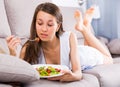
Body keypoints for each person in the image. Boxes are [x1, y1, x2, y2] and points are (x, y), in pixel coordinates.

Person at [6, 2, 113, 82]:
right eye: (39, 23)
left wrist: (72, 77)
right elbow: (17, 79)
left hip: (83, 57)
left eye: (49, 24)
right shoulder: (28, 47)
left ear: (58, 26)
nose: (43, 29)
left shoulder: (70, 37)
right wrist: (13, 53)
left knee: (109, 59)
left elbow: (78, 74)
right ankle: (86, 24)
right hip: (73, 53)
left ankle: (84, 29)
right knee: (87, 45)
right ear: (35, 24)